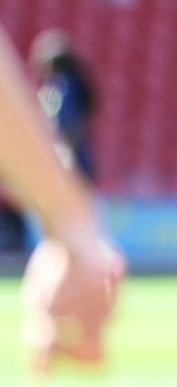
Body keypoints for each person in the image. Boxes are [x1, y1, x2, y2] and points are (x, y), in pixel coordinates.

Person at [0, 24, 123, 373]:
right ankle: (55, 329)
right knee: (62, 250)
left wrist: (51, 186)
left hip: (61, 176)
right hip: (65, 180)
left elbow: (62, 135)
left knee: (55, 250)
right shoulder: (72, 87)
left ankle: (49, 329)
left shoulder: (59, 89)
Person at [29, 28, 98, 182]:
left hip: (69, 161)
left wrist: (66, 156)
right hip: (76, 158)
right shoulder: (72, 83)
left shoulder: (61, 87)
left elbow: (72, 125)